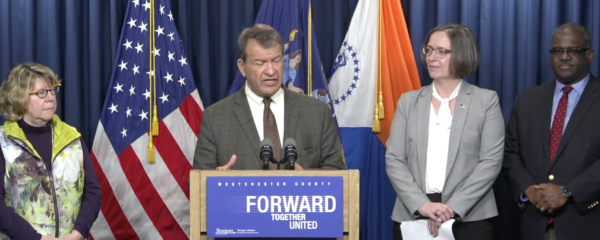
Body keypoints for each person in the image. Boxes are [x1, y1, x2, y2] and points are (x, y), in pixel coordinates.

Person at [385, 24, 504, 240]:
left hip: (470, 218)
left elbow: (491, 162)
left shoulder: (486, 101)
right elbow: (394, 159)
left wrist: (452, 208)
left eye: (441, 52)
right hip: (413, 214)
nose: (432, 57)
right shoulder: (408, 101)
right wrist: (422, 204)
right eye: (428, 50)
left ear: (462, 54)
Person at [193, 24, 345, 171]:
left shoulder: (318, 113)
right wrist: (217, 181)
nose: (271, 71)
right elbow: (197, 185)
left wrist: (307, 181)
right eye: (260, 63)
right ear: (242, 67)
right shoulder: (215, 118)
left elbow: (338, 176)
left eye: (276, 60)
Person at [503, 23, 600, 240]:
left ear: (589, 55)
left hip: (587, 224)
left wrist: (568, 191)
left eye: (573, 50)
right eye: (557, 50)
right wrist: (527, 188)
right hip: (533, 225)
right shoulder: (527, 100)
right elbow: (510, 154)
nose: (564, 57)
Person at [0, 62, 101, 240]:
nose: (50, 98)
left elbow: (92, 191)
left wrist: (78, 233)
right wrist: (36, 238)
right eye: (41, 93)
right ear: (19, 98)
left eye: (53, 89)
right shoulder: (3, 141)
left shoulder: (72, 137)